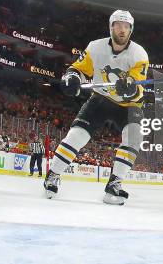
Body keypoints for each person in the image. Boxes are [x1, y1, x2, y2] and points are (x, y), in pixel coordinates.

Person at [44, 10, 149, 205]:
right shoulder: (95, 47)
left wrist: (129, 87)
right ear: (111, 27)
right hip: (101, 98)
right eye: (118, 25)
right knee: (77, 136)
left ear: (131, 30)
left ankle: (114, 184)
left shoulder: (139, 54)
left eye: (126, 26)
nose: (122, 30)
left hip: (130, 105)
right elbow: (77, 69)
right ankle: (53, 175)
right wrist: (72, 78)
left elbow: (138, 88)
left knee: (134, 138)